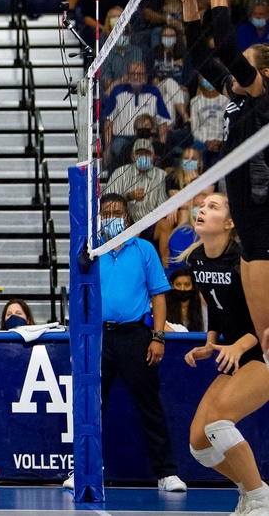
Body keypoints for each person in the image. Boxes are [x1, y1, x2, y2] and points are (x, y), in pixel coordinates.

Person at [178, 0, 269, 353]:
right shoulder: (236, 90)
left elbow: (230, 51)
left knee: (264, 342)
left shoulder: (263, 95)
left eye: (246, 66)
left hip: (264, 219)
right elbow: (200, 55)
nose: (234, 72)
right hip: (248, 224)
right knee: (262, 347)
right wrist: (188, 4)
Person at [183, 192, 269, 515]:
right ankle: (252, 489)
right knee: (198, 442)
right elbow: (217, 310)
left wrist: (239, 345)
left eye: (213, 207)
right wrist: (210, 341)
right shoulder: (196, 261)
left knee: (219, 422)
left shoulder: (243, 259)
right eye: (202, 206)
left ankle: (261, 500)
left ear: (230, 223)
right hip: (235, 350)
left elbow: (262, 318)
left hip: (260, 350)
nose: (202, 210)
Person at [95, 193, 184, 492]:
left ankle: (166, 472)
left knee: (150, 405)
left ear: (128, 216)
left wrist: (158, 336)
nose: (111, 217)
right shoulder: (93, 252)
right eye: (105, 213)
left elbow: (159, 294)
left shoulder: (144, 248)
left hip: (136, 336)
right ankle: (84, 470)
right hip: (99, 337)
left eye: (116, 212)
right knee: (91, 406)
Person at [103, 61, 171, 164]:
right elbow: (108, 121)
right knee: (117, 147)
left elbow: (163, 122)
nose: (136, 77)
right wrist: (107, 148)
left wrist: (162, 146)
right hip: (123, 138)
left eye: (139, 74)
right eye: (133, 74)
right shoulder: (117, 91)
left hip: (148, 137)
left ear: (145, 76)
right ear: (127, 75)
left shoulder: (154, 92)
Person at [104, 139, 168, 225]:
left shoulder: (161, 175)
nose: (143, 156)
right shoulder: (120, 173)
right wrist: (128, 197)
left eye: (147, 154)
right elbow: (108, 202)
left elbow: (163, 207)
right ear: (132, 156)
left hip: (151, 223)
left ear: (153, 157)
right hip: (126, 221)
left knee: (165, 224)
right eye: (139, 153)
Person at [190, 75, 228, 169]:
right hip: (202, 142)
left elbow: (229, 125)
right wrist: (206, 142)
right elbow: (194, 129)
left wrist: (220, 142)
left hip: (221, 141)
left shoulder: (226, 100)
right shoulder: (195, 102)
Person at [163, 268, 203, 332]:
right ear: (172, 285)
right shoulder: (162, 307)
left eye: (187, 285)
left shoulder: (202, 308)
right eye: (178, 285)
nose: (182, 289)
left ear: (193, 286)